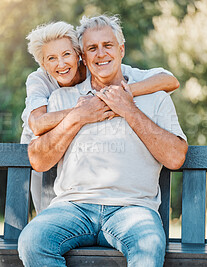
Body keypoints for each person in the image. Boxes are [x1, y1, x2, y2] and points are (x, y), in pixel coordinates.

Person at [18, 15, 188, 266]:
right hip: (73, 207)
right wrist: (78, 117)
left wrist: (129, 109)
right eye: (92, 48)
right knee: (33, 242)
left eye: (107, 45)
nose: (101, 54)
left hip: (132, 209)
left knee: (149, 247)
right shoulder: (61, 98)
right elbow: (38, 160)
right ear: (83, 58)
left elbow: (176, 157)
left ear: (121, 50)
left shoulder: (155, 97)